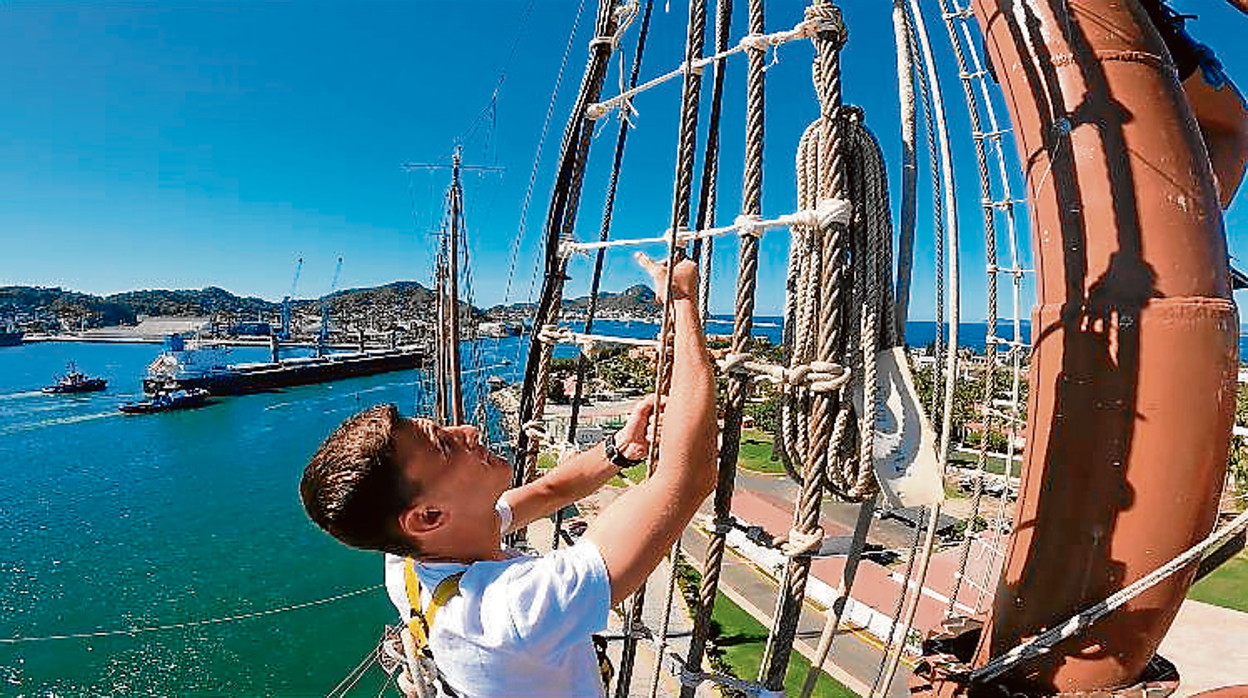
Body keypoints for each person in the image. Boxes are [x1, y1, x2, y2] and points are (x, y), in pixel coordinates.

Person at [299, 253, 718, 698]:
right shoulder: (512, 610)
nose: (469, 430)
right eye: (445, 444)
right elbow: (687, 477)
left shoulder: (409, 559)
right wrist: (682, 302)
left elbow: (544, 493)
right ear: (427, 517)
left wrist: (620, 450)